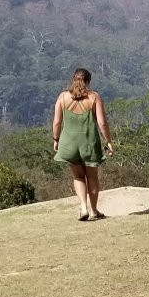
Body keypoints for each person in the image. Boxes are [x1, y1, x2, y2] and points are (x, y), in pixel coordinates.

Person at [52, 67, 114, 220]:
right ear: (88, 81)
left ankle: (83, 208)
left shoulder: (63, 97)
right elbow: (102, 123)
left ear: (73, 79)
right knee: (92, 177)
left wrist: (56, 139)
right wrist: (108, 141)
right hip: (89, 143)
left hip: (69, 144)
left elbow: (57, 122)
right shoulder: (94, 97)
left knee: (78, 176)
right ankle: (94, 210)